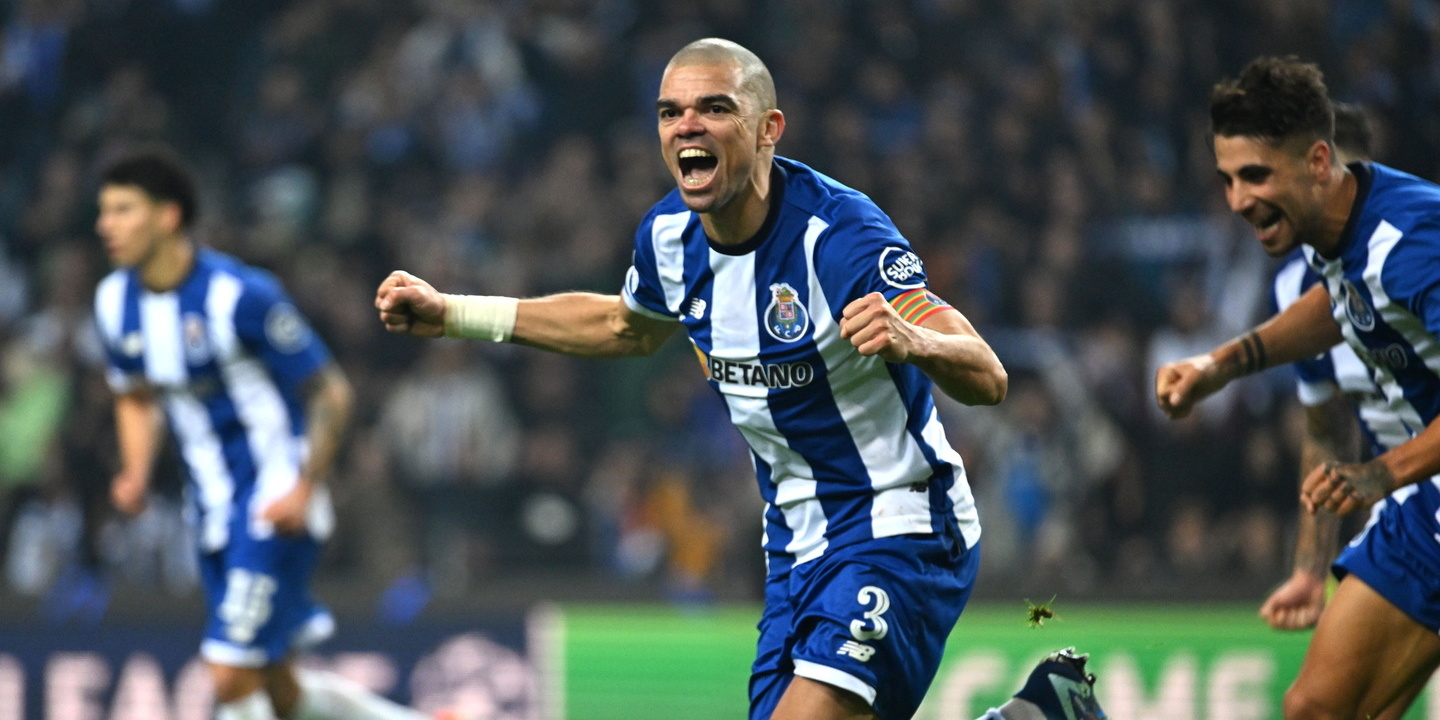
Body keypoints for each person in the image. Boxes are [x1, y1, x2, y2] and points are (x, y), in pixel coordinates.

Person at [375, 38, 1104, 720]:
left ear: (767, 128)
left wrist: (913, 339)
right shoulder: (667, 239)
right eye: (671, 112)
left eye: (715, 107)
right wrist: (453, 313)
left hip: (898, 524)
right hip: (793, 544)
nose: (688, 125)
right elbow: (623, 327)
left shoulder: (838, 237)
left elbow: (990, 375)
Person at [93, 148, 444, 720]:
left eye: (123, 210)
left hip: (272, 503)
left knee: (230, 673)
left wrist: (305, 488)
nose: (105, 225)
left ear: (168, 216)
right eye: (104, 212)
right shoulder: (114, 303)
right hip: (209, 512)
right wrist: (134, 471)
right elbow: (133, 393)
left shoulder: (241, 295)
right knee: (279, 689)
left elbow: (331, 392)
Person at [1155, 57, 1440, 718]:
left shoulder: (1417, 244)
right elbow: (1340, 303)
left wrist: (1381, 473)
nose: (1237, 201)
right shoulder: (1335, 224)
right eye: (1227, 180)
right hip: (1426, 497)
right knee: (1318, 707)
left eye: (1255, 176)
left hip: (1412, 480)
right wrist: (1220, 366)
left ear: (1317, 161)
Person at [1258, 102, 1386, 632]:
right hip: (1410, 513)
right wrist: (1310, 569)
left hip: (1413, 494)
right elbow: (1326, 433)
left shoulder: (1416, 254)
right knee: (1319, 705)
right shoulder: (1294, 286)